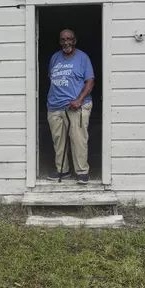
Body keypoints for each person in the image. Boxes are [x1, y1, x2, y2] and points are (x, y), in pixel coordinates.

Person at [46, 28, 95, 184]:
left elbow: (90, 81)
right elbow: (51, 78)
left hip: (77, 106)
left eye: (69, 39)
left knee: (78, 139)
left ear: (74, 41)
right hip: (55, 106)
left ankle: (82, 172)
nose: (66, 42)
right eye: (63, 40)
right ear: (60, 42)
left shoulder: (82, 58)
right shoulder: (55, 58)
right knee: (58, 141)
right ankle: (63, 170)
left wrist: (79, 100)